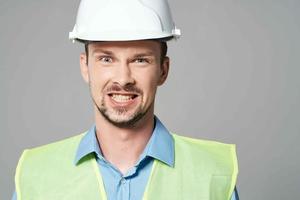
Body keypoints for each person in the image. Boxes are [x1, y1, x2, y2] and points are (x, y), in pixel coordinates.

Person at [13, 0, 239, 199]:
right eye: (106, 59)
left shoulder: (213, 173)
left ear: (163, 70)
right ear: (85, 66)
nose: (123, 78)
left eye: (140, 60)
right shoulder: (35, 174)